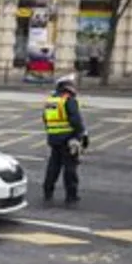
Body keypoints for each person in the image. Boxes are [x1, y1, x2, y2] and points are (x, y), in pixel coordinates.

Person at [41, 74, 87, 204]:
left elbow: (45, 119)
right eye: (72, 84)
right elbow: (76, 120)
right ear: (67, 87)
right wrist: (79, 136)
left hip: (54, 139)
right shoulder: (68, 100)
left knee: (53, 167)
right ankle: (71, 195)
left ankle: (48, 191)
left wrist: (53, 133)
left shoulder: (51, 100)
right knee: (70, 168)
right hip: (68, 139)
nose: (74, 87)